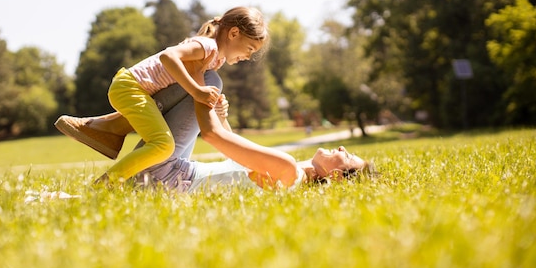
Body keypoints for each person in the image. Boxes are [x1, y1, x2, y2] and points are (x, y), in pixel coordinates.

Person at [56, 70, 375, 192]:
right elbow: (235, 162)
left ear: (334, 177)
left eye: (347, 159)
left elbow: (213, 138)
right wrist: (219, 115)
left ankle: (110, 126)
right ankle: (111, 126)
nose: (343, 150)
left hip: (167, 176)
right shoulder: (289, 175)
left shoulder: (289, 171)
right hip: (174, 175)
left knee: (209, 78)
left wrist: (206, 106)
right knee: (203, 86)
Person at [56, 6, 269, 182]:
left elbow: (191, 86)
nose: (248, 56)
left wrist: (215, 108)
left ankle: (110, 128)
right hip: (130, 87)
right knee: (163, 145)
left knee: (164, 144)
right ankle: (106, 184)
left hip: (137, 90)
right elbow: (168, 56)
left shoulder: (216, 59)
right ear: (233, 34)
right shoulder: (207, 46)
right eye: (249, 48)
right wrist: (197, 92)